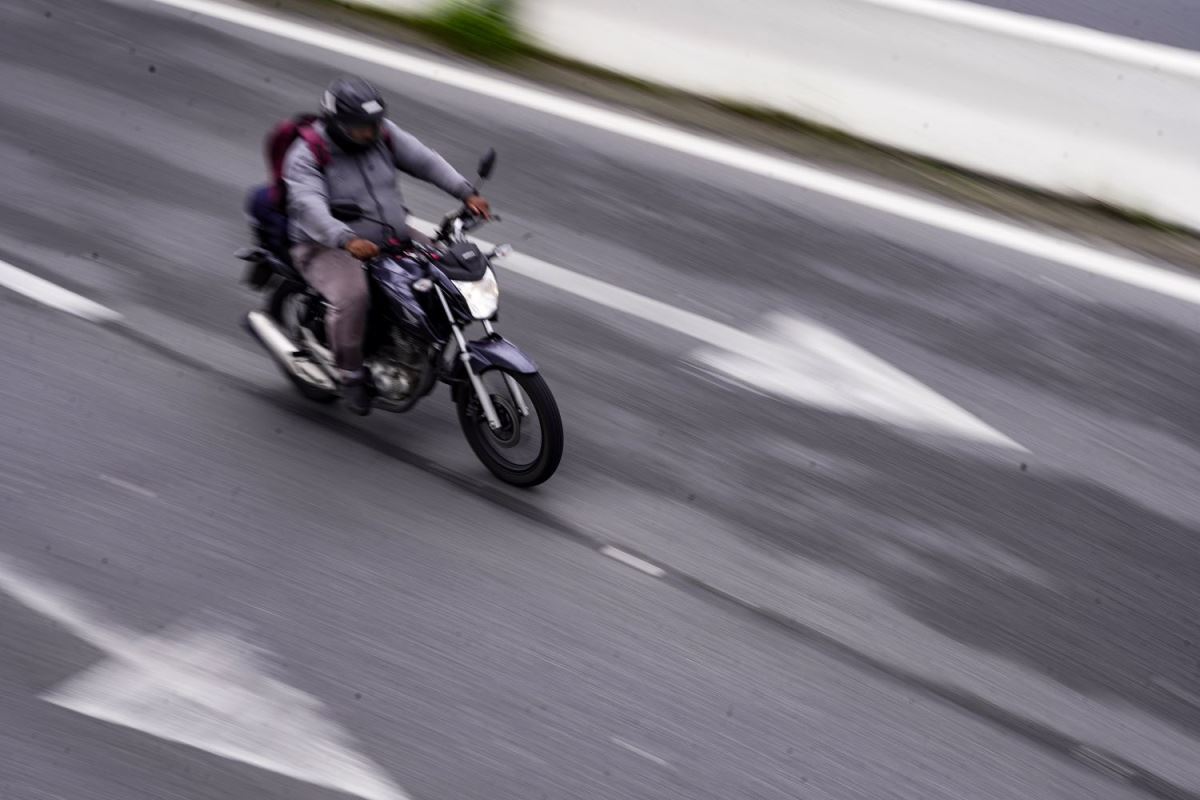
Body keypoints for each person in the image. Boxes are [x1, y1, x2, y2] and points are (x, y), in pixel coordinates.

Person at [282, 75, 491, 415]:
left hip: (389, 236)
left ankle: (417, 344)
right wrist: (346, 239)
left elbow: (424, 160)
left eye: (375, 124)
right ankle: (350, 373)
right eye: (361, 127)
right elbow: (310, 206)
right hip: (326, 245)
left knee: (446, 269)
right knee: (353, 297)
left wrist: (466, 192)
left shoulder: (382, 134)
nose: (371, 133)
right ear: (337, 123)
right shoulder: (308, 154)